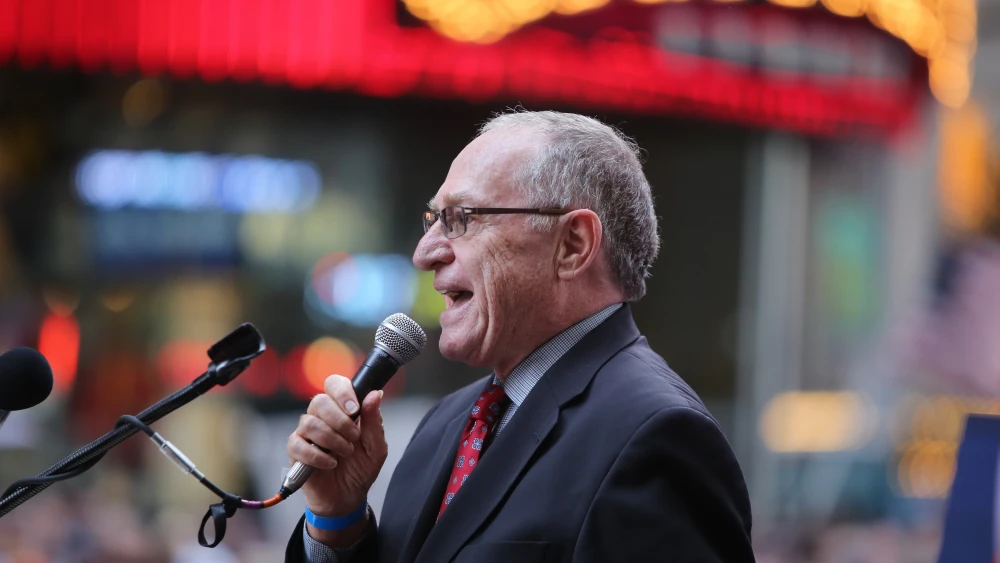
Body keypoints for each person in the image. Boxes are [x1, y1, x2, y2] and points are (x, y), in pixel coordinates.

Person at [284, 110, 755, 562]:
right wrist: (337, 522)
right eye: (434, 220)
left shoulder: (656, 436)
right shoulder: (444, 424)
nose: (424, 253)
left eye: (461, 218)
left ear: (573, 245)